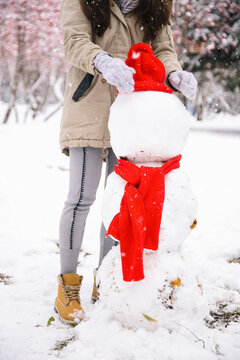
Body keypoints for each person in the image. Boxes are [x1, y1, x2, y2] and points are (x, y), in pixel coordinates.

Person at [54, 0, 198, 325]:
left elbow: (162, 46)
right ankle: (67, 285)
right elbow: (74, 41)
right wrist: (102, 61)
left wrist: (173, 72)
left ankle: (106, 279)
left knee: (118, 202)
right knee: (81, 198)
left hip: (133, 116)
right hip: (88, 109)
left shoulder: (155, 4)